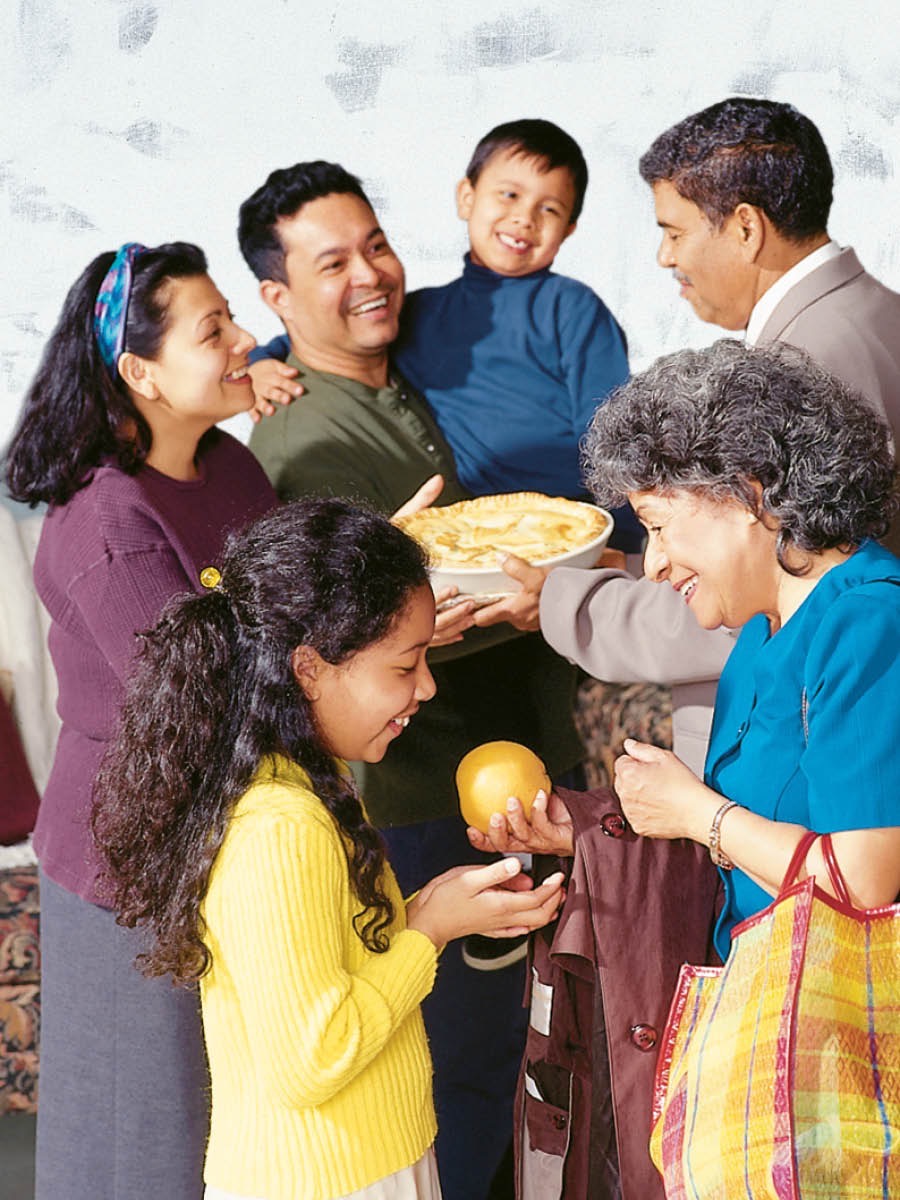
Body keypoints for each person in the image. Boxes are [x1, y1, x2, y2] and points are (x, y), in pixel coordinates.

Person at [472, 339, 900, 1197]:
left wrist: (695, 814)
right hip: (766, 1030)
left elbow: (863, 879)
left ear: (751, 494)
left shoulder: (867, 621)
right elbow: (733, 836)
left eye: (661, 527)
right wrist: (597, 826)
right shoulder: (757, 632)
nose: (655, 563)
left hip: (843, 1066)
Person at [237, 160, 588, 1198]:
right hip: (428, 790)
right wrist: (563, 594)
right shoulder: (306, 431)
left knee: (510, 1052)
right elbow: (347, 626)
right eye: (331, 261)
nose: (369, 275)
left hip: (506, 761)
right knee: (463, 1060)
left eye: (375, 244)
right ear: (276, 294)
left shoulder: (395, 374)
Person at [91, 498, 566, 1200]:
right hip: (333, 1181)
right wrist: (429, 932)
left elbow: (327, 966)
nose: (427, 688)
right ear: (310, 669)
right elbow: (315, 1059)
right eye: (406, 666)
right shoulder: (280, 826)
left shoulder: (307, 782)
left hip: (363, 1164)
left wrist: (427, 910)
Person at [3, 242, 279, 1200]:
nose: (246, 339)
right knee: (140, 1140)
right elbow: (201, 694)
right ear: (140, 374)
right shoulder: (105, 523)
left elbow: (281, 619)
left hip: (222, 837)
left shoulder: (231, 466)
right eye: (216, 331)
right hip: (128, 860)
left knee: (214, 1124)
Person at [532, 97, 900, 774]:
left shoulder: (804, 366)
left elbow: (754, 600)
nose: (664, 255)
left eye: (674, 230)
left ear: (745, 229)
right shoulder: (875, 313)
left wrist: (558, 603)